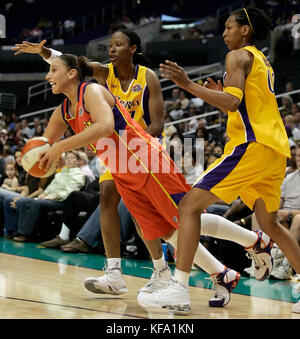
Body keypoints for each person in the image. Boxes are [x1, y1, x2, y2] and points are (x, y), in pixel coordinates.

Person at [36, 53, 272, 309]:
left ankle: (254, 239)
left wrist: (59, 148)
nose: (48, 76)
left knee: (184, 217)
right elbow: (42, 145)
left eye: (53, 70)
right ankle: (221, 274)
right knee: (164, 229)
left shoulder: (91, 90)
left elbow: (104, 126)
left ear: (71, 73)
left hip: (143, 157)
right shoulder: (62, 112)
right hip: (120, 168)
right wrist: (40, 157)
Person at [139, 6, 300, 313]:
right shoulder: (261, 60)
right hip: (275, 150)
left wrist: (188, 84)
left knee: (187, 206)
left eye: (229, 27)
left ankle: (179, 288)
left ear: (245, 30)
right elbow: (238, 106)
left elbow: (233, 100)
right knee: (271, 225)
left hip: (252, 146)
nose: (224, 32)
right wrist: (220, 98)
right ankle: (260, 245)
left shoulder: (237, 56)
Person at [13, 30, 166, 294]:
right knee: (107, 195)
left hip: (143, 148)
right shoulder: (103, 74)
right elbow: (73, 65)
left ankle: (167, 270)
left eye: (119, 45)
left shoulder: (147, 77)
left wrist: (131, 144)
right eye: (110, 45)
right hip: (114, 150)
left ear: (133, 48)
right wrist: (43, 53)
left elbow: (159, 124)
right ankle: (114, 271)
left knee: (153, 217)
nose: (112, 49)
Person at [12, 151, 85, 242]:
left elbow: (70, 192)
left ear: (78, 161)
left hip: (62, 201)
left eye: (72, 158)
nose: (69, 160)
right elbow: (50, 188)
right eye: (67, 158)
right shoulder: (61, 173)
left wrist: (52, 197)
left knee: (36, 202)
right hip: (49, 199)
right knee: (22, 201)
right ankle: (18, 230)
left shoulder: (79, 175)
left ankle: (26, 234)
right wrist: (44, 194)